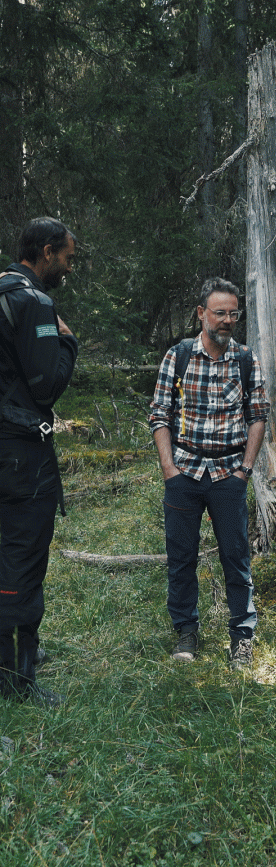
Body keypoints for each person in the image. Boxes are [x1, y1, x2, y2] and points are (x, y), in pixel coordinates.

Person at [150, 277, 269, 668]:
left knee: (236, 558)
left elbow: (258, 417)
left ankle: (242, 638)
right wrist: (169, 469)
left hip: (228, 475)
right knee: (181, 557)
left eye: (234, 313)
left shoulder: (246, 360)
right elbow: (159, 415)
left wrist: (245, 470)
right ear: (201, 313)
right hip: (183, 474)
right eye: (219, 313)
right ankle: (186, 633)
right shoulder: (178, 356)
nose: (227, 320)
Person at [0, 217, 78, 706]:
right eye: (67, 257)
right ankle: (18, 676)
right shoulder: (35, 302)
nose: (68, 267)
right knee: (24, 560)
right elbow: (47, 385)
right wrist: (67, 341)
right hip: (21, 455)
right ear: (46, 252)